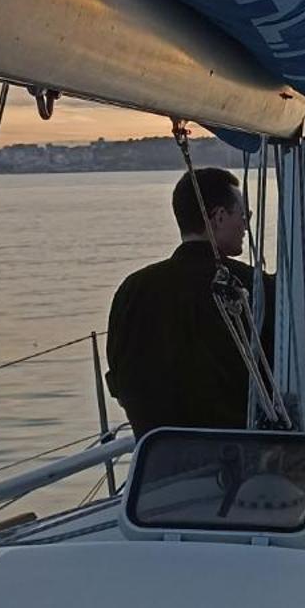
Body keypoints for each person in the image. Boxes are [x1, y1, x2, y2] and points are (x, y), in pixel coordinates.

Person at [106, 168, 272, 435]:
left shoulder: (132, 290)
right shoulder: (252, 287)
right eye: (243, 215)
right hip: (238, 454)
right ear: (218, 217)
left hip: (159, 455)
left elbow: (120, 377)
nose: (245, 225)